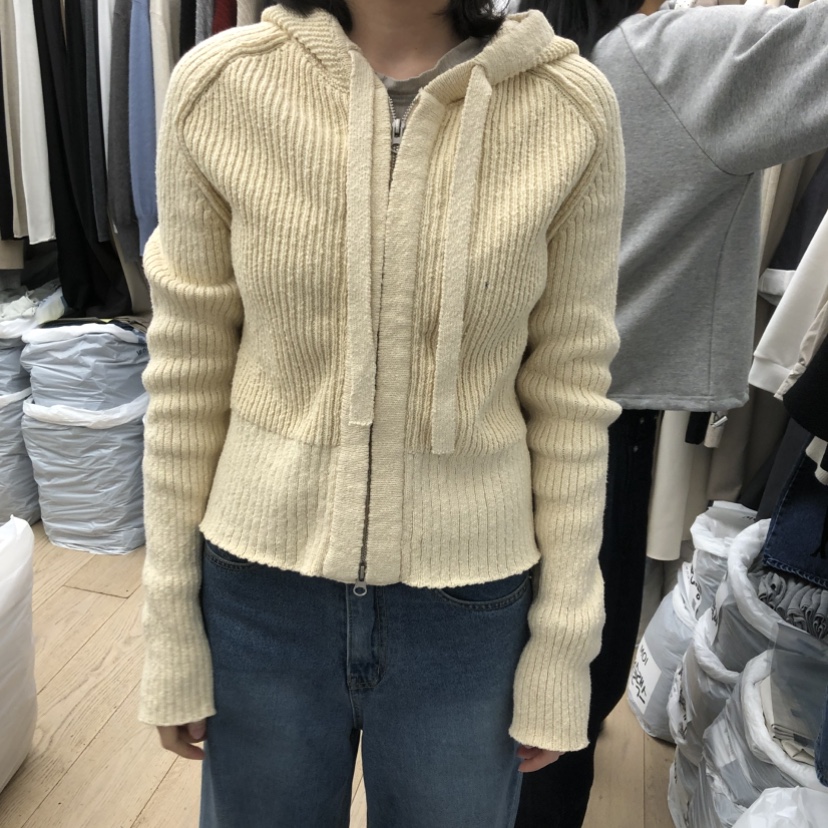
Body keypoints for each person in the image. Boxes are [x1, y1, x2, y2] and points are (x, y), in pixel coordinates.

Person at [138, 1, 627, 825]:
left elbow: (571, 393)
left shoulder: (569, 106)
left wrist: (563, 645)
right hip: (258, 598)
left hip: (469, 612)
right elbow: (186, 371)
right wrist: (170, 626)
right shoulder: (222, 86)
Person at [515, 1, 828, 826]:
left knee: (476, 711)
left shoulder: (450, 39)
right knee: (556, 715)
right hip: (591, 428)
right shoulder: (674, 57)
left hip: (455, 426)